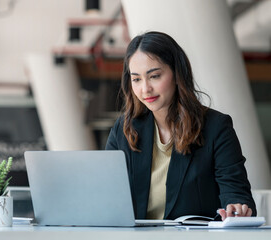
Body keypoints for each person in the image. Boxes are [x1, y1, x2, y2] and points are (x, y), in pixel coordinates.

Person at [105, 31, 256, 220]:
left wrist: (237, 208)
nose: (145, 89)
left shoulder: (216, 127)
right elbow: (105, 195)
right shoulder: (124, 129)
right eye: (136, 79)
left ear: (177, 74)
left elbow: (236, 193)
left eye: (155, 76)